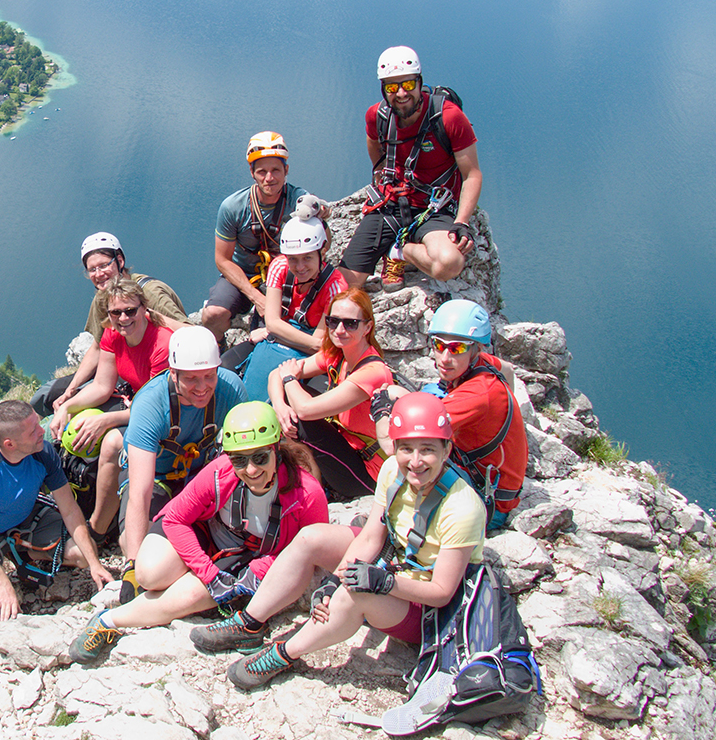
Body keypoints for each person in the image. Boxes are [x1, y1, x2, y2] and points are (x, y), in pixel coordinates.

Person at [192, 393, 486, 692]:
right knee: (311, 537)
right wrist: (334, 580)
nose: (416, 461)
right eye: (406, 448)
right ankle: (249, 623)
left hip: (424, 608)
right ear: (394, 447)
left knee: (355, 594)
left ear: (447, 449)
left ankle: (284, 653)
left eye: (428, 450)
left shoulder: (462, 508)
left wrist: (382, 584)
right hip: (394, 565)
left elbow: (441, 593)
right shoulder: (393, 473)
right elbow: (373, 536)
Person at [67, 403, 328, 663]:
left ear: (276, 450)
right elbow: (177, 519)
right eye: (239, 459)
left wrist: (257, 571)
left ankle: (107, 621)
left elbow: (310, 550)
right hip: (204, 531)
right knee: (149, 574)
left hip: (245, 555)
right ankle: (172, 588)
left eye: (260, 457)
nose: (250, 470)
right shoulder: (220, 472)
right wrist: (208, 573)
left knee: (189, 596)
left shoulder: (306, 494)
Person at [0, 399, 113, 627]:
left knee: (83, 554)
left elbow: (69, 510)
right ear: (10, 444)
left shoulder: (43, 452)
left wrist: (95, 564)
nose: (43, 432)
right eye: (33, 431)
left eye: (38, 425)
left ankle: (22, 554)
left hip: (29, 516)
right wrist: (4, 585)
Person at [340, 47, 483, 292]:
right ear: (384, 89)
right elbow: (373, 141)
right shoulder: (377, 116)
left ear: (419, 82)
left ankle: (399, 251)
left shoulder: (448, 117)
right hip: (391, 204)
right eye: (392, 88)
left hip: (433, 208)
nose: (401, 93)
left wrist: (462, 222)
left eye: (407, 84)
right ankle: (391, 246)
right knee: (341, 286)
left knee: (449, 263)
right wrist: (380, 169)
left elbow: (472, 174)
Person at [118, 325, 249, 577]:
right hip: (158, 477)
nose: (202, 387)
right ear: (173, 373)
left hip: (201, 474)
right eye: (191, 378)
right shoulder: (151, 404)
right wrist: (133, 566)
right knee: (138, 545)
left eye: (209, 376)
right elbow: (141, 490)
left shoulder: (230, 388)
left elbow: (250, 449)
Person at [49, 275, 174, 536]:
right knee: (78, 423)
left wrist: (106, 421)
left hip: (166, 413)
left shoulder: (162, 343)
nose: (124, 318)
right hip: (137, 402)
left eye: (130, 311)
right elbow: (102, 386)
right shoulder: (113, 333)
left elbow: (157, 407)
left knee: (111, 444)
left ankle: (98, 527)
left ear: (144, 308)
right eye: (116, 312)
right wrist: (67, 408)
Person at [388, 299, 527, 529]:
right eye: (438, 345)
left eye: (457, 348)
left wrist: (385, 408)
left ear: (475, 348)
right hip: (488, 478)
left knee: (410, 456)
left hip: (489, 502)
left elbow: (406, 437)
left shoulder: (478, 393)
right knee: (429, 394)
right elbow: (508, 369)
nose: (445, 358)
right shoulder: (482, 364)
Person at [32, 232, 187, 417]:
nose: (99, 274)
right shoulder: (103, 297)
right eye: (92, 269)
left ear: (119, 261)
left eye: (104, 265)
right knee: (44, 397)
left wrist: (148, 314)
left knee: (82, 413)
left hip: (158, 373)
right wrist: (70, 390)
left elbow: (192, 334)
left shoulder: (150, 293)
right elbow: (98, 347)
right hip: (118, 366)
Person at [268, 288, 395, 499]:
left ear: (367, 328)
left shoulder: (373, 372)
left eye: (350, 323)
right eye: (333, 321)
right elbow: (275, 375)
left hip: (366, 474)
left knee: (301, 413)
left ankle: (313, 488)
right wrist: (280, 407)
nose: (339, 330)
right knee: (291, 401)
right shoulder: (338, 355)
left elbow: (306, 410)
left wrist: (290, 379)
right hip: (345, 451)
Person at [201, 133, 329, 342]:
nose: (269, 178)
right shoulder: (233, 207)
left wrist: (321, 219)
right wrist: (256, 297)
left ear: (286, 170)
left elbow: (322, 246)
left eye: (276, 170)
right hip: (243, 274)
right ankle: (217, 346)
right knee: (212, 315)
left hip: (285, 275)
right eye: (262, 172)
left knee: (273, 330)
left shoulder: (299, 201)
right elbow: (222, 260)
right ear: (252, 173)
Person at [221, 216, 345, 395]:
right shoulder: (279, 267)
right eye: (293, 259)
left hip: (307, 356)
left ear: (322, 253)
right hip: (282, 339)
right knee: (224, 369)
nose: (300, 267)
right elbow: (272, 322)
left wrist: (272, 334)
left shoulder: (335, 288)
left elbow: (318, 345)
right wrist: (273, 328)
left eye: (307, 258)